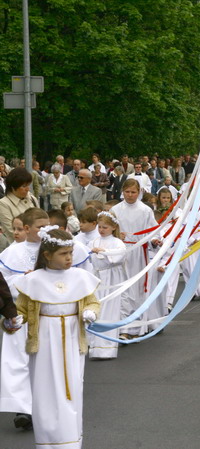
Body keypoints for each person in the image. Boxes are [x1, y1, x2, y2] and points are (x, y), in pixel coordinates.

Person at [14, 227, 100, 449]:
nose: (69, 258)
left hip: (71, 342)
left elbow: (91, 301)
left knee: (72, 390)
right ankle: (47, 442)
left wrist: (90, 313)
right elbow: (21, 311)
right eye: (63, 254)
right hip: (43, 344)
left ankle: (71, 441)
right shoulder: (32, 280)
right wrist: (14, 322)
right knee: (45, 393)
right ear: (47, 255)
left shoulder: (80, 277)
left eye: (70, 252)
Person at [0, 207, 49, 430]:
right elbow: (5, 281)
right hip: (21, 311)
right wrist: (24, 279)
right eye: (40, 227)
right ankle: (23, 408)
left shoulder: (52, 249)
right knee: (20, 360)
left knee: (44, 360)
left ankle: (44, 406)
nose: (44, 231)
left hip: (47, 312)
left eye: (47, 226)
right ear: (28, 228)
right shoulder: (12, 253)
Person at [110, 179, 158, 339]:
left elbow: (154, 230)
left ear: (139, 192)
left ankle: (134, 328)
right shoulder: (115, 209)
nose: (130, 195)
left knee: (136, 290)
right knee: (121, 289)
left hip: (137, 253)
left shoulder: (145, 210)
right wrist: (116, 235)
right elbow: (106, 228)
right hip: (120, 253)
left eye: (133, 192)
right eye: (127, 192)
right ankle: (121, 327)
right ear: (122, 191)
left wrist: (154, 240)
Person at [88, 211, 127, 359]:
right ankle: (94, 346)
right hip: (97, 276)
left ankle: (107, 348)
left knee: (109, 310)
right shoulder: (94, 241)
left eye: (105, 227)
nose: (101, 230)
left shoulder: (117, 242)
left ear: (113, 227)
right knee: (97, 308)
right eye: (99, 227)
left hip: (111, 277)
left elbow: (120, 254)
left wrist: (104, 252)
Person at [0, 168, 39, 242]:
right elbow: (12, 231)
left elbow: (41, 220)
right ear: (13, 187)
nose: (27, 189)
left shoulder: (32, 198)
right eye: (24, 186)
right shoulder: (3, 203)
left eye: (28, 185)